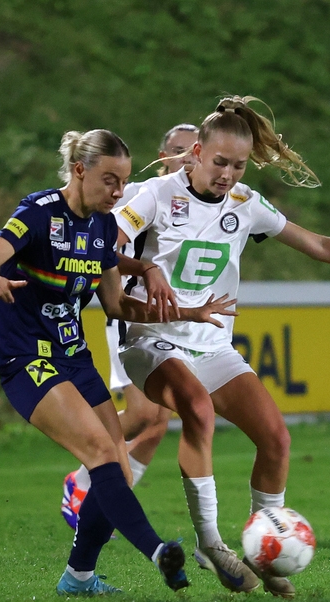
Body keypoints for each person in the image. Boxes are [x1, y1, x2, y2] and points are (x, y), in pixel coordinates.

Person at [113, 96, 330, 598]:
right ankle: (212, 543)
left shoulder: (245, 204)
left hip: (212, 341)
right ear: (196, 152)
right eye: (219, 161)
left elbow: (317, 244)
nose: (227, 173)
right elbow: (106, 243)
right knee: (197, 410)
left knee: (276, 439)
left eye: (238, 165)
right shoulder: (156, 195)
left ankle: (266, 549)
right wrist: (145, 269)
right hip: (151, 337)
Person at [0, 128, 235, 596]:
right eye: (109, 180)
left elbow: (117, 308)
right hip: (26, 356)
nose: (118, 192)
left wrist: (189, 311)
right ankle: (158, 552)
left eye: (124, 182)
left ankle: (79, 578)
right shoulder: (37, 212)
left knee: (120, 471)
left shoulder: (103, 227)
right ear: (79, 170)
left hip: (74, 354)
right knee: (102, 453)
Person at [61, 124, 199, 529]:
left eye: (193, 151)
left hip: (164, 320)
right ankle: (83, 481)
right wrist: (127, 277)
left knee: (157, 422)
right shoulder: (141, 194)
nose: (185, 158)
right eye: (177, 149)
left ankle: (105, 504)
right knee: (141, 416)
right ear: (161, 154)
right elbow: (107, 242)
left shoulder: (195, 200)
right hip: (131, 315)